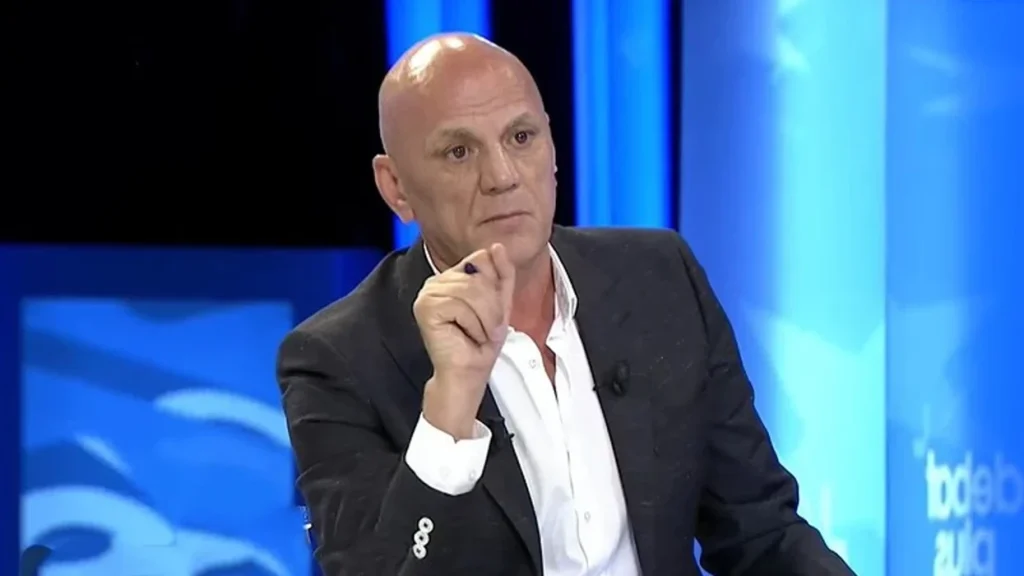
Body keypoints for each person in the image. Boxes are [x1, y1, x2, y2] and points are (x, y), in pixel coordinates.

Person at [277, 33, 855, 576]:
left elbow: (762, 532)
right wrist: (450, 407)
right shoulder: (337, 360)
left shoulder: (659, 279)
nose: (502, 176)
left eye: (521, 137)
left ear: (552, 147)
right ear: (396, 188)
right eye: (458, 151)